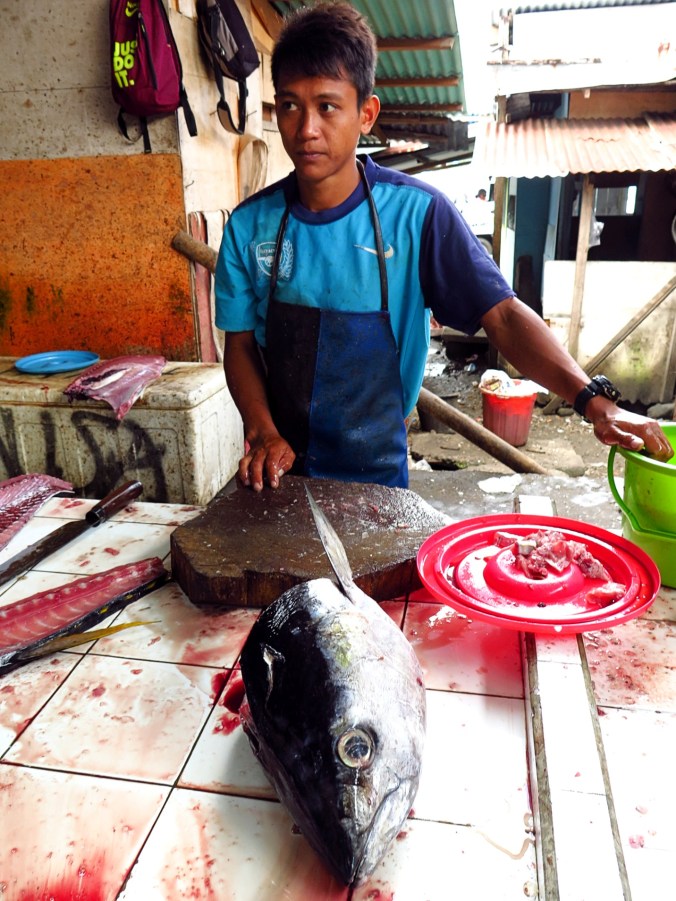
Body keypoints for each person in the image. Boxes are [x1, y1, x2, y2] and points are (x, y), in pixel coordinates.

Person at [214, 1, 672, 492]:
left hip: (379, 480)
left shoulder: (418, 215)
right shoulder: (249, 226)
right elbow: (239, 343)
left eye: (327, 106)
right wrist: (261, 430)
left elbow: (504, 317)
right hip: (278, 475)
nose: (306, 128)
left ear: (366, 113)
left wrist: (593, 399)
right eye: (289, 105)